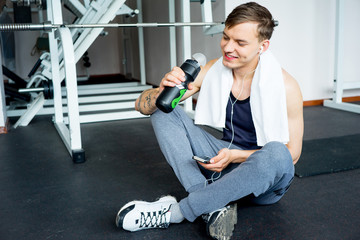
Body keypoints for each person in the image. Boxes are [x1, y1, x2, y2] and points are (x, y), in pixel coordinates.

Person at [115, 2, 303, 239]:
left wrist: (235, 156)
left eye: (240, 43)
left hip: (263, 179)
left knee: (276, 152)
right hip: (223, 158)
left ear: (262, 46)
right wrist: (163, 91)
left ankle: (179, 211)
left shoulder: (287, 86)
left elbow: (292, 154)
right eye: (226, 37)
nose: (228, 47)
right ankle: (210, 200)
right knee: (165, 110)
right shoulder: (214, 69)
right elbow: (141, 105)